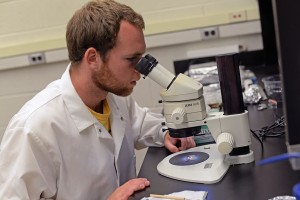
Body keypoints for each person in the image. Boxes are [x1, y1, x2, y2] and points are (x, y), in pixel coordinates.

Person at [0, 0, 196, 199]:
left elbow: (141, 123)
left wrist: (166, 133)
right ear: (93, 58)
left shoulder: (114, 98)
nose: (140, 71)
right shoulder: (34, 130)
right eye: (131, 60)